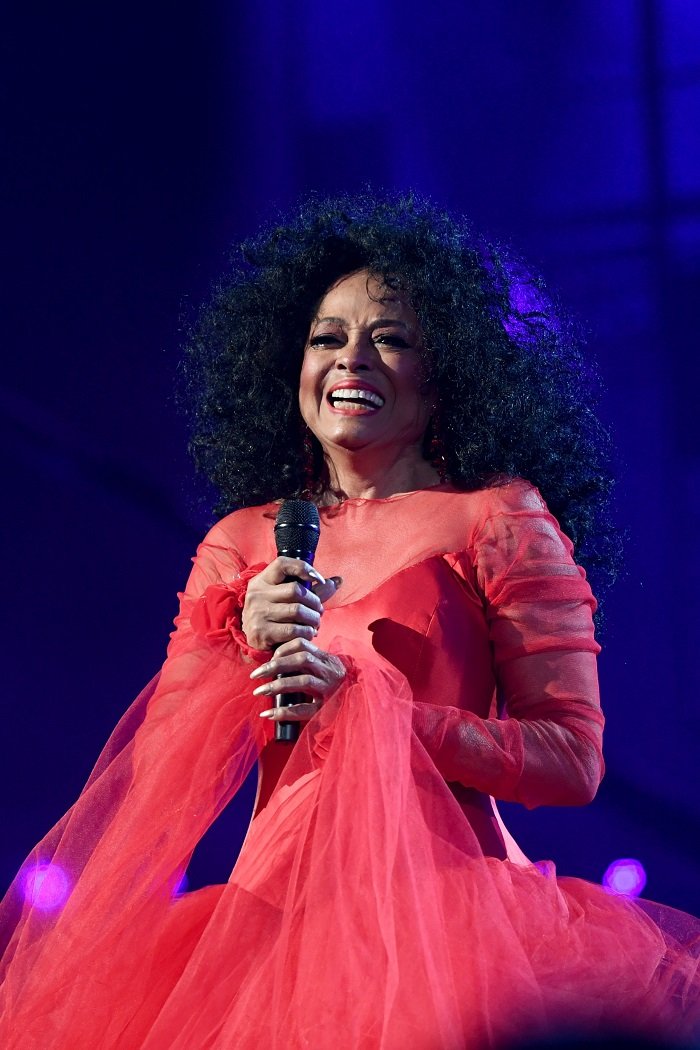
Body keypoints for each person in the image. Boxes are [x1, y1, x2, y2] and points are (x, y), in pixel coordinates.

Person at [1, 193, 698, 1049]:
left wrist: (387, 713)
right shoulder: (241, 543)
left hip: (449, 923)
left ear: (448, 371)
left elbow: (574, 761)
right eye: (326, 338)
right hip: (262, 933)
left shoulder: (498, 519)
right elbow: (158, 776)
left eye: (391, 338)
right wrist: (232, 646)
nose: (350, 359)